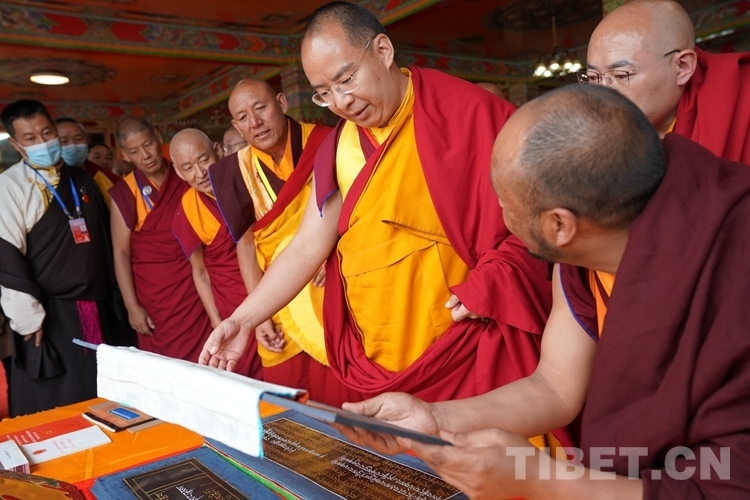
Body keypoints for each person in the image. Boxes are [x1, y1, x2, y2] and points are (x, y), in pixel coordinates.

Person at [337, 84, 750, 499]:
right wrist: (432, 417)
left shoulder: (735, 271)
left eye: (504, 200)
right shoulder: (589, 249)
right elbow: (555, 385)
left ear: (559, 226)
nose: (499, 211)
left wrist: (541, 480)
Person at [201, 1, 560, 444]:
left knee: (482, 462)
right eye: (323, 92)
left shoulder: (466, 114)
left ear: (384, 51)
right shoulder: (340, 148)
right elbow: (307, 246)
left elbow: (541, 221)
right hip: (379, 356)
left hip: (463, 344)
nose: (341, 102)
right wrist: (243, 320)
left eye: (346, 79)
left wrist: (494, 279)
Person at [207, 79, 351, 404]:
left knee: (342, 393)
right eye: (243, 117)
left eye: (261, 108)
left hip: (332, 284)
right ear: (235, 126)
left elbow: (357, 210)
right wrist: (258, 317)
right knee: (289, 401)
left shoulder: (327, 141)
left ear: (282, 104)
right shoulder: (234, 172)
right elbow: (246, 246)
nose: (255, 122)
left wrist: (334, 251)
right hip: (277, 296)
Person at [0, 100, 132, 416]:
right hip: (50, 315)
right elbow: (7, 258)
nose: (42, 142)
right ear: (17, 145)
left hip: (99, 307)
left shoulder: (80, 178)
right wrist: (28, 318)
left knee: (105, 394)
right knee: (60, 399)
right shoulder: (9, 186)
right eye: (30, 138)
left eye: (46, 133)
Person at [581, 0, 750, 163]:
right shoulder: (596, 132)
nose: (602, 94)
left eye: (621, 75)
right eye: (593, 77)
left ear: (682, 67)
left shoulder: (741, 96)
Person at [109, 117, 212, 362]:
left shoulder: (186, 174)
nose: (145, 156)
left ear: (157, 136)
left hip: (198, 289)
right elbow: (121, 252)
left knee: (209, 357)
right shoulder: (125, 192)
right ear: (124, 155)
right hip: (157, 298)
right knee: (166, 365)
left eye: (147, 145)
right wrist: (131, 306)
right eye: (135, 151)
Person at [170, 129, 262, 378]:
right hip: (232, 301)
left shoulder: (247, 179)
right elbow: (199, 271)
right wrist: (215, 319)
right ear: (178, 172)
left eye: (203, 160)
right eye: (188, 168)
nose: (200, 173)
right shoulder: (188, 208)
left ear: (219, 151)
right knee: (245, 373)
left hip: (274, 282)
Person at [55, 118, 120, 207]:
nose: (73, 145)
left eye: (78, 139)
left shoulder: (101, 176)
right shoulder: (45, 179)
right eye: (64, 141)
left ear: (86, 140)